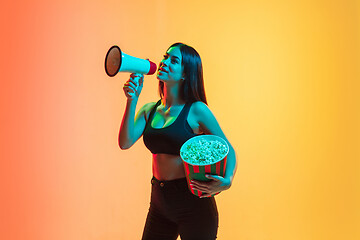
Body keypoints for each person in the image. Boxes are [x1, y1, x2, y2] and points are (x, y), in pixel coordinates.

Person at [119, 42, 237, 240]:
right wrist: (132, 99)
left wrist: (227, 182)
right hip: (159, 203)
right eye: (165, 57)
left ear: (185, 74)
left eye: (174, 61)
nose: (165, 62)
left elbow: (228, 150)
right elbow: (125, 142)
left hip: (193, 205)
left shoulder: (197, 110)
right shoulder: (149, 110)